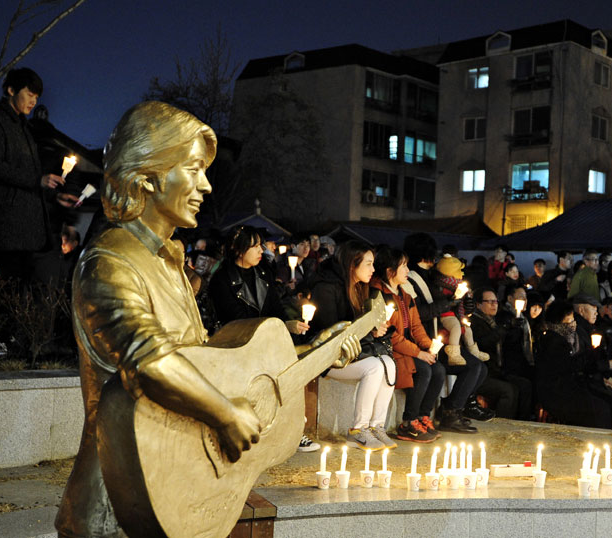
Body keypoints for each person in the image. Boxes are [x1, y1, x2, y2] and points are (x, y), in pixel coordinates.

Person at [55, 102, 361, 537]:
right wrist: (224, 414)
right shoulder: (109, 263)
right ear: (147, 175)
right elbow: (148, 361)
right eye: (194, 169)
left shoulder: (167, 262)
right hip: (118, 504)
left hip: (178, 481)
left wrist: (317, 352)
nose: (206, 186)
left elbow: (208, 361)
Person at [207, 225, 319, 453]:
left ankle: (296, 430)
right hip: (237, 345)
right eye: (255, 245)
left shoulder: (263, 274)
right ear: (239, 250)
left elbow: (275, 309)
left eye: (261, 245)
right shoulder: (222, 279)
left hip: (266, 342)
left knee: (294, 370)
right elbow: (234, 319)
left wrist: (289, 325)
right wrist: (272, 328)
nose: (262, 250)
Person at [0, 67, 78, 282]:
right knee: (9, 290)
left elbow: (29, 177)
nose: (33, 101)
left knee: (28, 291)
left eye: (36, 96)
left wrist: (53, 196)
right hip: (6, 229)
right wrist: (39, 180)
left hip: (28, 231)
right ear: (11, 90)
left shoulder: (24, 129)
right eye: (30, 94)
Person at [309, 240, 396, 451]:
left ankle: (376, 426)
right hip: (330, 358)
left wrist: (375, 330)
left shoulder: (361, 289)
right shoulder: (327, 288)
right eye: (368, 263)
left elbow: (359, 330)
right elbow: (332, 333)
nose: (373, 269)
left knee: (388, 363)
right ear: (351, 264)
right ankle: (358, 430)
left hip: (355, 353)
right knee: (375, 367)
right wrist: (368, 331)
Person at [403, 232, 488, 432]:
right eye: (431, 256)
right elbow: (418, 313)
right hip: (426, 339)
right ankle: (450, 412)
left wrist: (464, 305)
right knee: (473, 366)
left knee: (480, 368)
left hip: (438, 335)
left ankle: (453, 407)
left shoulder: (432, 277)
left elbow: (447, 306)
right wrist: (449, 303)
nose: (434, 260)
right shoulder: (412, 279)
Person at [369, 247, 440, 443]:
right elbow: (390, 336)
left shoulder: (404, 293)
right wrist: (418, 353)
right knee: (423, 370)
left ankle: (422, 417)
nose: (408, 270)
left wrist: (429, 347)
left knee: (438, 369)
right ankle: (408, 423)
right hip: (390, 350)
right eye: (404, 266)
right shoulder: (378, 293)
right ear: (390, 270)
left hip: (407, 348)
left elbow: (416, 326)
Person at [535, 301, 612, 428]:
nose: (574, 325)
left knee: (603, 402)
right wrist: (591, 353)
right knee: (599, 409)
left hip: (567, 389)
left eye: (574, 320)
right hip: (557, 394)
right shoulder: (553, 341)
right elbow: (568, 366)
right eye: (570, 322)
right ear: (560, 323)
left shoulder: (563, 337)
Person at [472, 287, 533, 420]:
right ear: (478, 304)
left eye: (495, 301)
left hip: (496, 370)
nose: (494, 304)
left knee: (525, 385)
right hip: (482, 374)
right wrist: (506, 327)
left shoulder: (493, 322)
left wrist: (513, 329)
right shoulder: (474, 322)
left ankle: (522, 422)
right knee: (509, 391)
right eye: (489, 302)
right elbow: (483, 343)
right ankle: (502, 424)